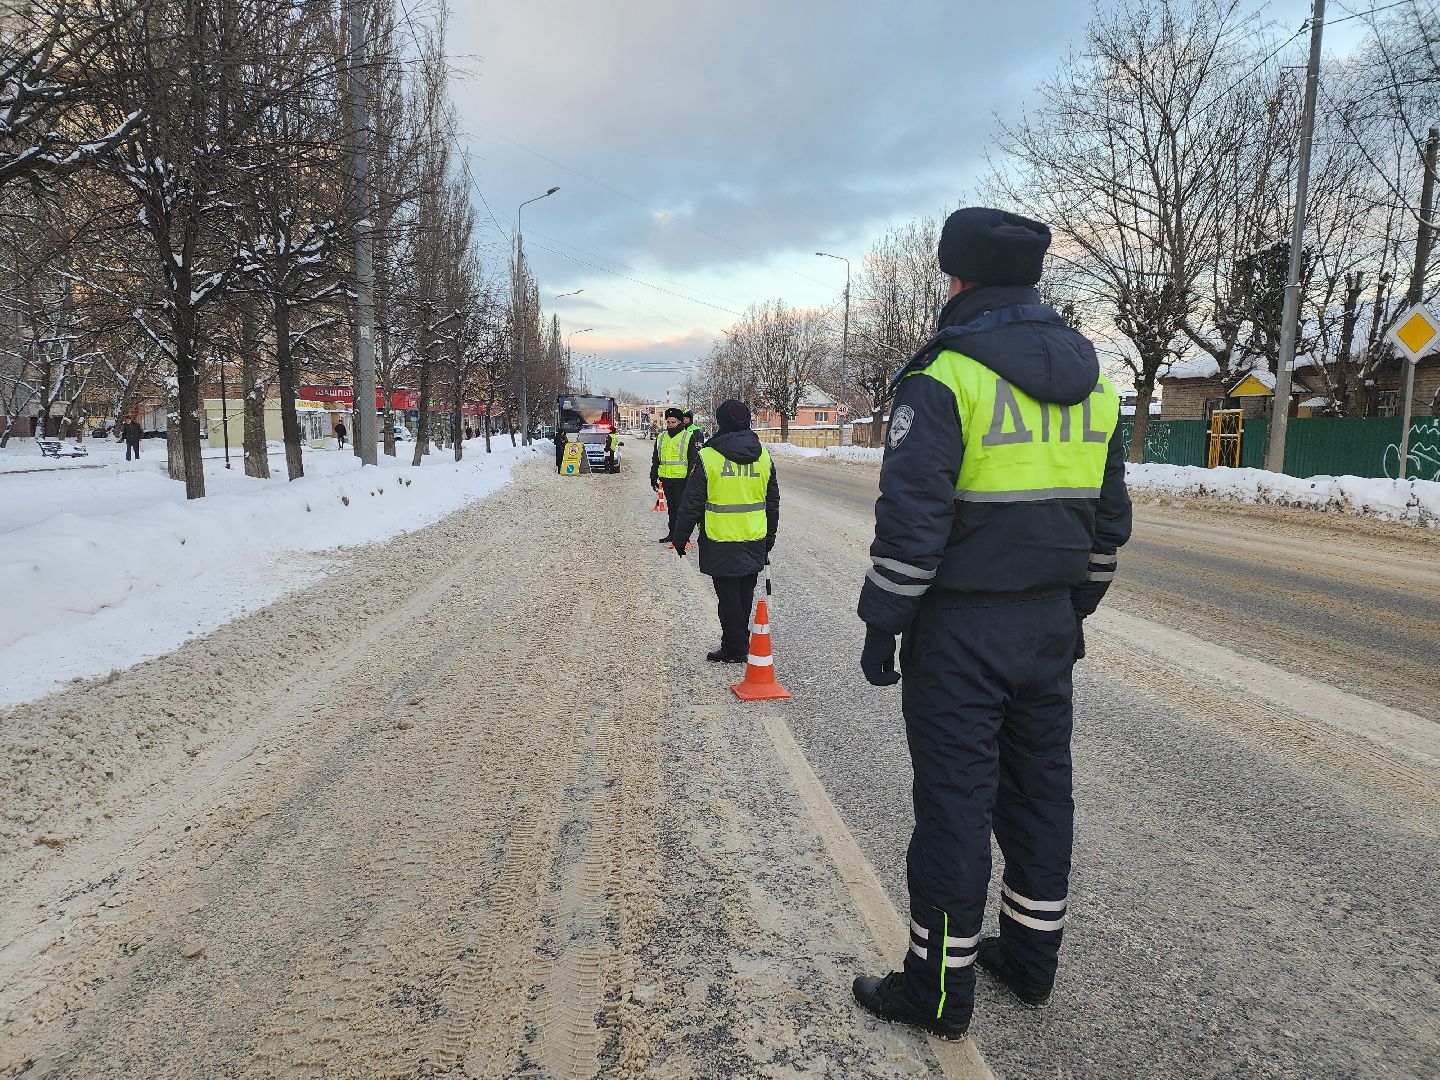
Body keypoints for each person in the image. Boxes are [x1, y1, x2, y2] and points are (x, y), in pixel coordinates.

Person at [851, 208, 1132, 1041]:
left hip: (960, 634)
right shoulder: (1095, 382)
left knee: (955, 808)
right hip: (1048, 630)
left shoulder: (945, 376)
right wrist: (1069, 610)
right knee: (1040, 795)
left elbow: (913, 523)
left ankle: (936, 992)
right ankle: (1031, 960)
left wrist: (883, 621)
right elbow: (1107, 525)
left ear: (957, 276)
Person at [672, 399, 779, 663]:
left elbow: (691, 502)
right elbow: (772, 502)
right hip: (754, 536)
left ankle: (735, 646)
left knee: (728, 597)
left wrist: (680, 536)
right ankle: (738, 641)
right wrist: (770, 537)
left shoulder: (708, 456)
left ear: (721, 423)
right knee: (744, 594)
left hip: (720, 538)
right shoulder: (763, 456)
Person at [650, 407, 701, 543]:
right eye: (668, 422)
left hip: (682, 479)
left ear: (680, 422)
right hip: (666, 478)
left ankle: (683, 537)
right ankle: (672, 533)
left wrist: (691, 478)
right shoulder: (661, 437)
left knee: (681, 509)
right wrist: (653, 475)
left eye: (673, 422)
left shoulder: (688, 436)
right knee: (671, 508)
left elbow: (692, 459)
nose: (670, 425)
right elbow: (656, 458)